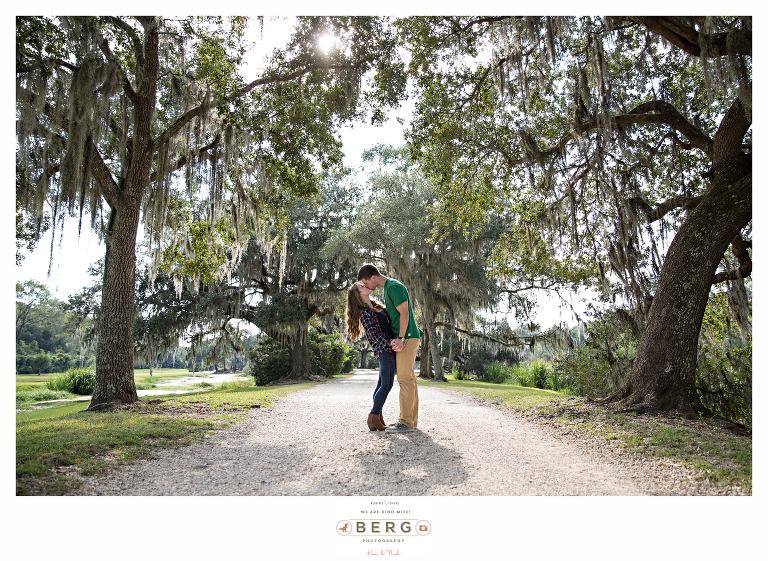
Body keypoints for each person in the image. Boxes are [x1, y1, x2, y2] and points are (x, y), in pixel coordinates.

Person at [357, 264, 422, 433]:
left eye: (365, 282)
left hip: (406, 337)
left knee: (404, 379)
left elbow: (405, 313)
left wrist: (400, 338)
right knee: (408, 379)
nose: (366, 286)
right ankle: (411, 421)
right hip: (403, 337)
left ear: (372, 277)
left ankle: (406, 422)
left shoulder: (393, 287)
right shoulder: (387, 289)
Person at [346, 282, 396, 432]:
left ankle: (377, 417)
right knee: (387, 384)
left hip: (388, 348)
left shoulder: (375, 306)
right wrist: (390, 342)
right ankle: (373, 415)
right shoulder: (365, 312)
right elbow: (374, 336)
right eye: (361, 286)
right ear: (358, 294)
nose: (365, 285)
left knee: (382, 383)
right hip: (384, 349)